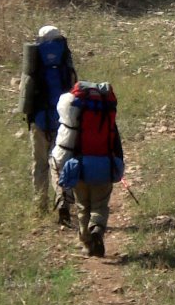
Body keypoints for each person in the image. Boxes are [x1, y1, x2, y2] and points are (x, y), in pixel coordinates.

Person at [52, 82, 125, 258]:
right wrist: (117, 168)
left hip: (81, 167)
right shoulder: (109, 120)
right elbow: (117, 148)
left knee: (83, 206)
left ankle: (86, 242)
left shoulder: (75, 120)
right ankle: (97, 229)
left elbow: (66, 146)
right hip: (104, 167)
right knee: (100, 205)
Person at [22, 24, 77, 224]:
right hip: (63, 121)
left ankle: (40, 206)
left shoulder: (34, 60)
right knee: (60, 163)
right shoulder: (64, 59)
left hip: (39, 120)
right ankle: (63, 198)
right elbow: (73, 89)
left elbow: (25, 94)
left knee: (40, 163)